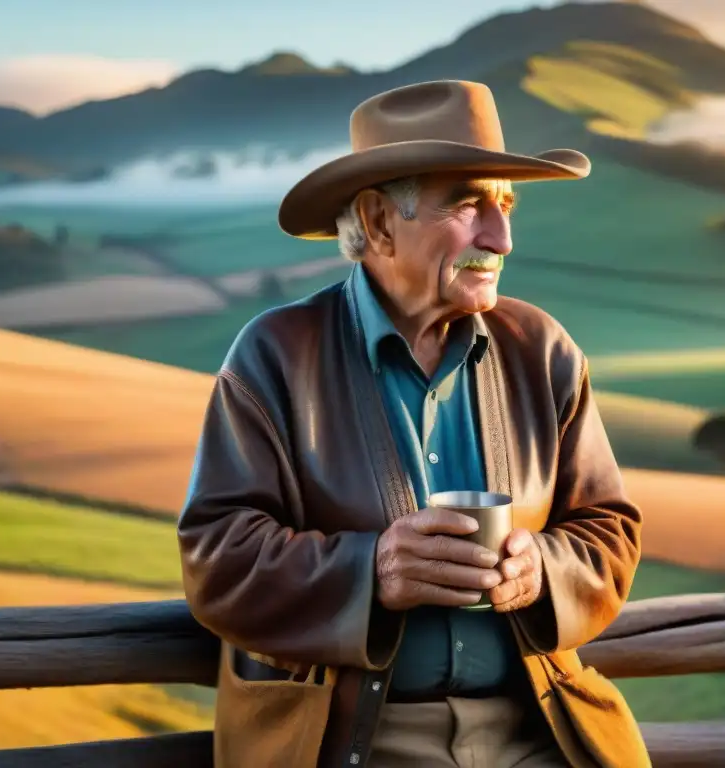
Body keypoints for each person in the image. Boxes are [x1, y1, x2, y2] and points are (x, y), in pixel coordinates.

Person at [177, 79, 650, 768]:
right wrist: (373, 571)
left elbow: (609, 529)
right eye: (468, 204)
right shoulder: (276, 355)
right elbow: (218, 557)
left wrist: (541, 569)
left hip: (537, 730)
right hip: (357, 741)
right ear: (375, 222)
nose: (502, 237)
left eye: (506, 205)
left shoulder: (542, 349)